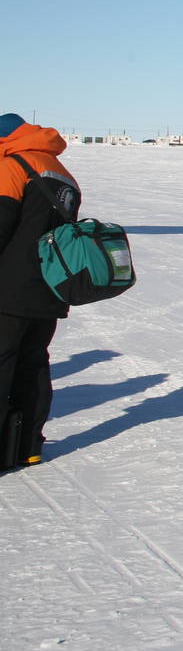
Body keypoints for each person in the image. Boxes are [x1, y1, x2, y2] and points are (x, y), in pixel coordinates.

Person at [0, 113, 79, 472]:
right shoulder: (62, 173)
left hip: (9, 289)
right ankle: (28, 446)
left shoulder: (11, 165)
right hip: (50, 289)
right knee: (33, 365)